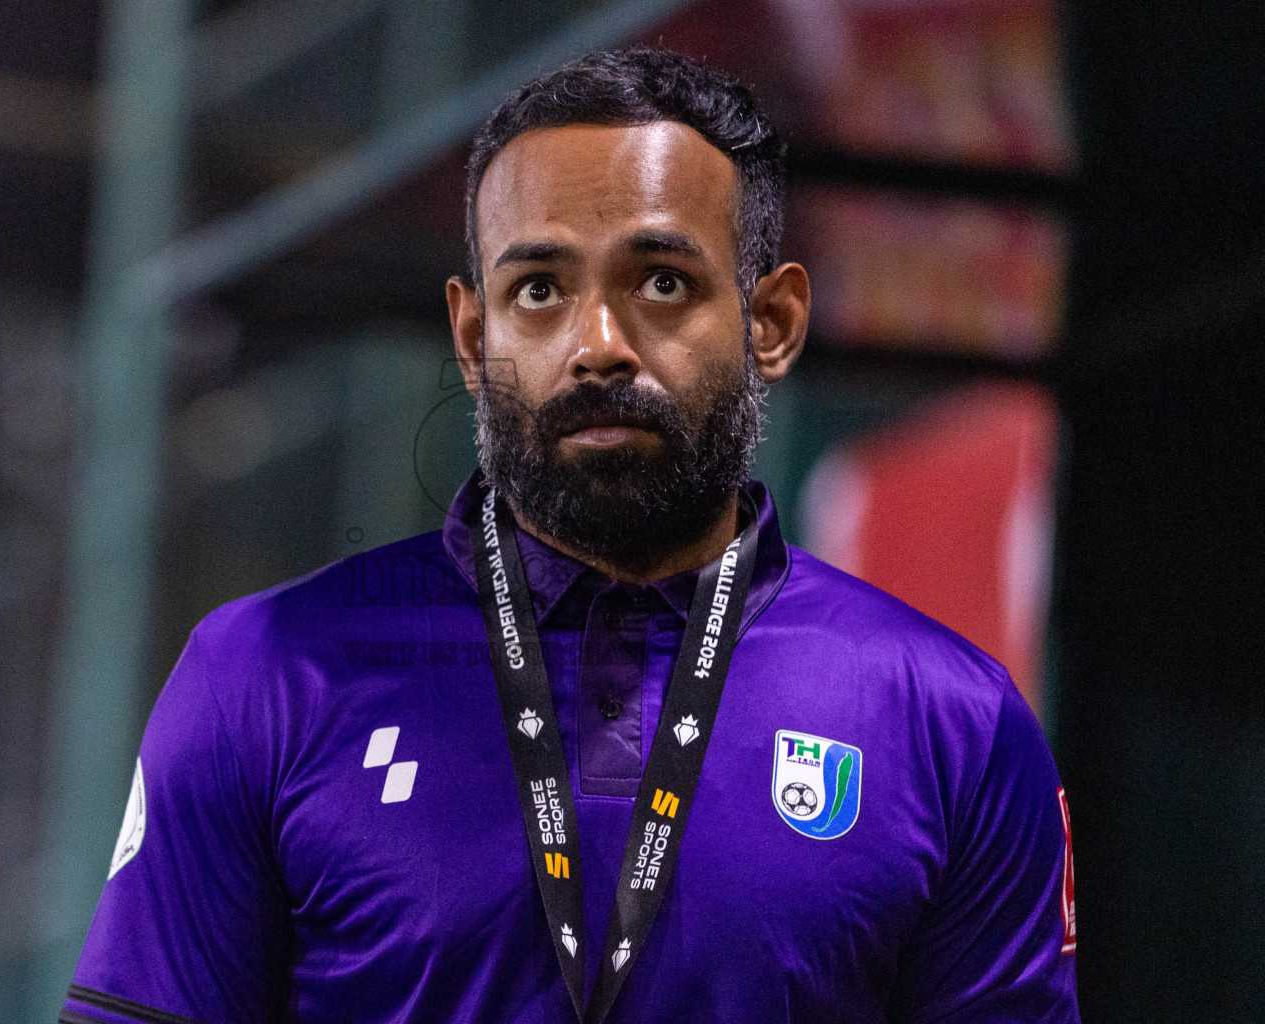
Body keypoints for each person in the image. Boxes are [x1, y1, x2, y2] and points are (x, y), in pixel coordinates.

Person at [59, 47, 1079, 1024]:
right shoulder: (260, 677)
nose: (598, 345)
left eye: (662, 282)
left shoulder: (956, 725)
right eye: (540, 289)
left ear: (771, 321)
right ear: (473, 337)